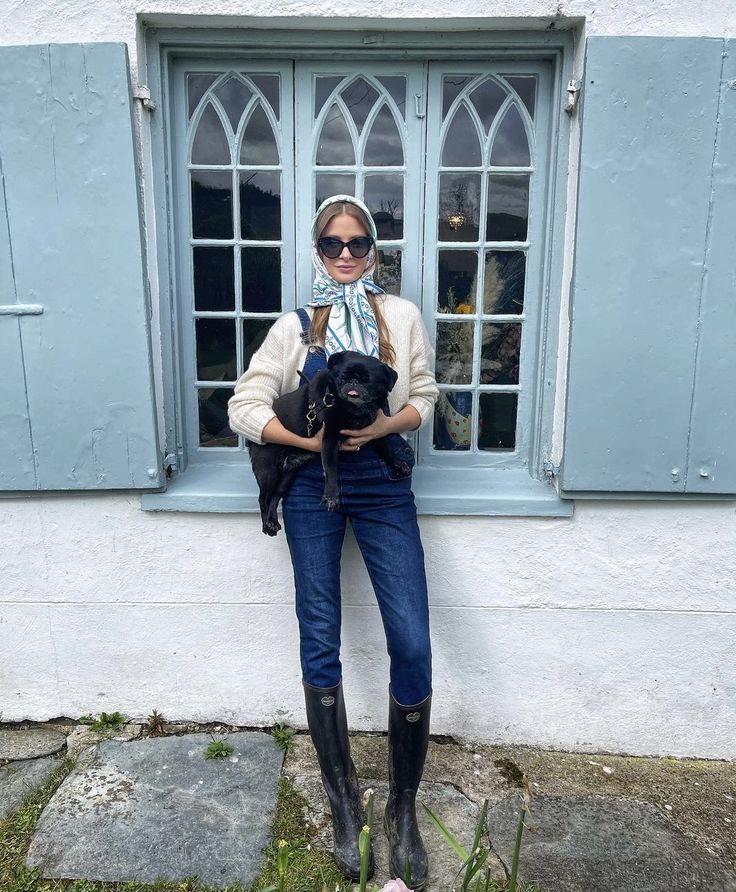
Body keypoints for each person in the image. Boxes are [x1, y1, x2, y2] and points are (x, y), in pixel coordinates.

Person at [227, 194, 439, 890]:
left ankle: (404, 808)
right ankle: (346, 804)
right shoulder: (294, 328)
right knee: (320, 634)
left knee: (410, 639)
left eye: (356, 243)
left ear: (373, 249)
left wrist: (380, 429)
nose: (344, 254)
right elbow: (245, 404)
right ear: (317, 252)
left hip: (381, 482)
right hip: (313, 490)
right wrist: (300, 438)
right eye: (331, 244)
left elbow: (425, 397)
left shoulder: (401, 318)